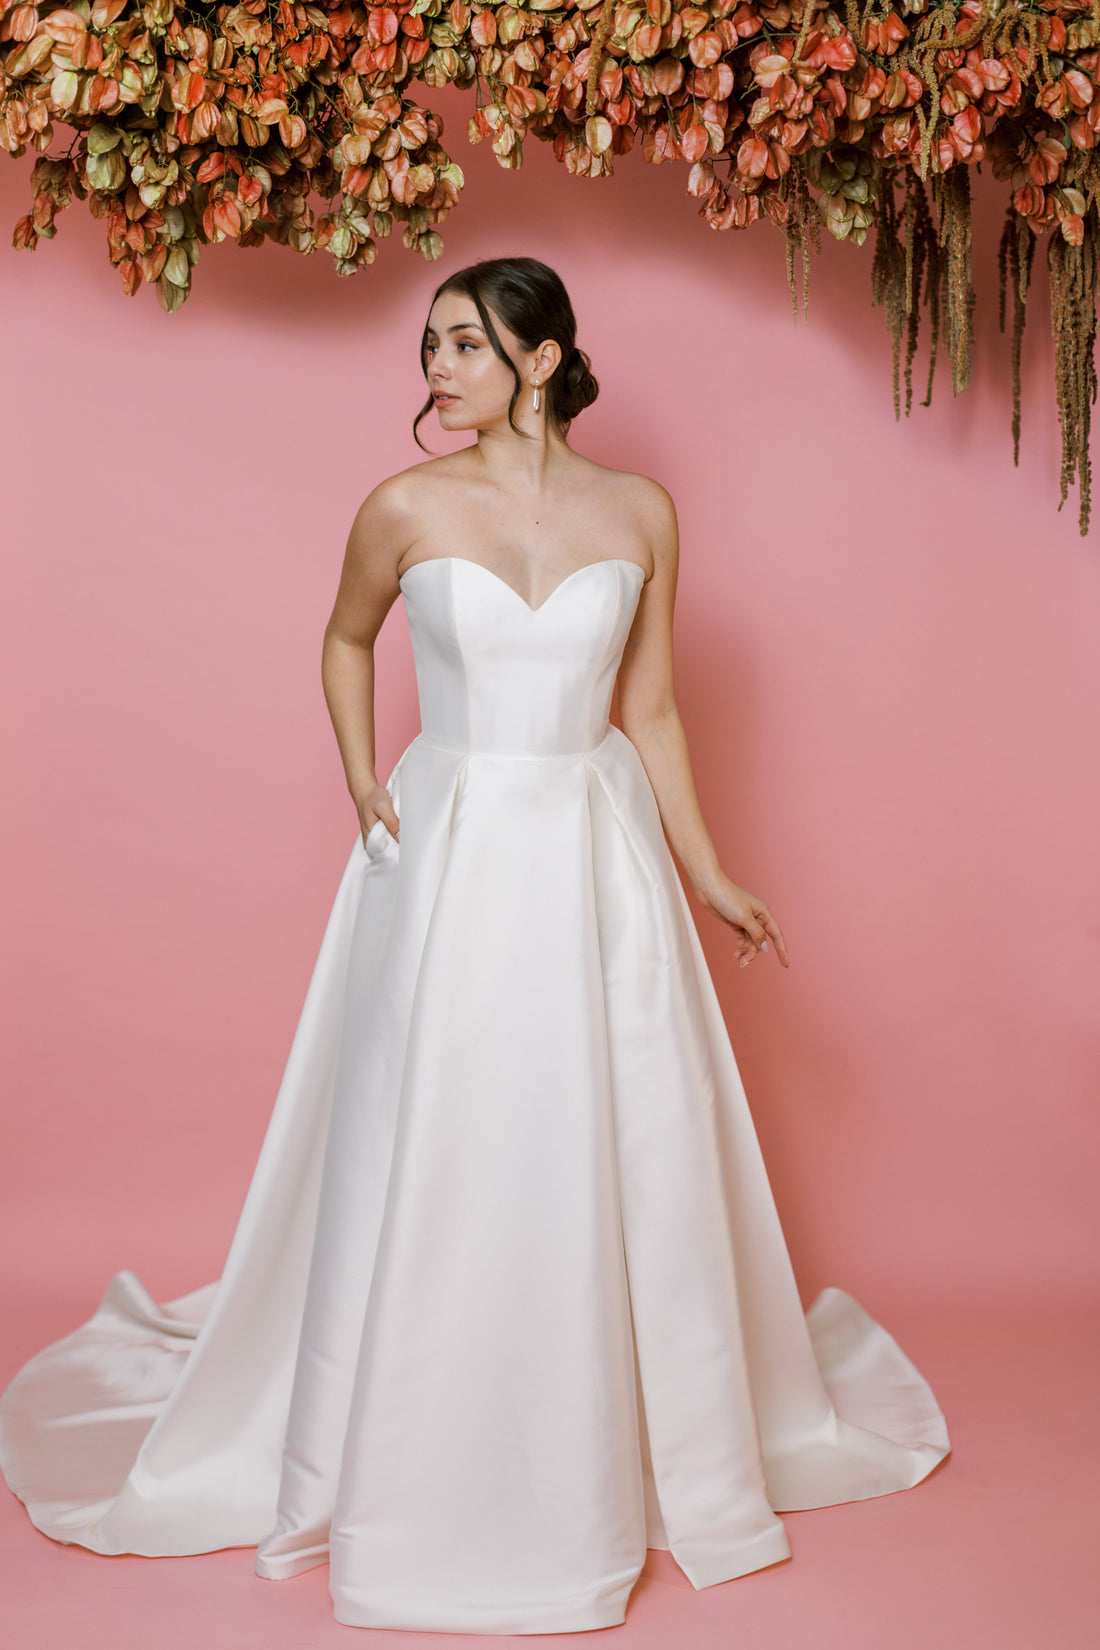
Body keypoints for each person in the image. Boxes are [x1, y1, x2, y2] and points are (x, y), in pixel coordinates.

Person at [0, 255, 949, 1636]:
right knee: (445, 1127)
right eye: (430, 346)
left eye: (461, 345)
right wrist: (359, 776)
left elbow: (653, 709)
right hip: (447, 847)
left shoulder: (641, 510)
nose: (434, 370)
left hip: (594, 847)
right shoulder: (402, 506)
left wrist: (709, 872)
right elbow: (342, 641)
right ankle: (417, 1420)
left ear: (541, 360)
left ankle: (602, 1423)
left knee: (604, 1128)